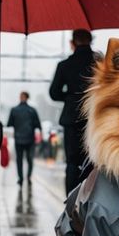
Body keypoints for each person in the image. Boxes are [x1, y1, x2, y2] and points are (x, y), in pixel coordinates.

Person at [48, 30, 96, 193]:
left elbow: (54, 93)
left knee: (72, 163)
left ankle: (71, 201)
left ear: (72, 43)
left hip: (71, 117)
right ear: (90, 41)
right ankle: (89, 198)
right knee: (93, 162)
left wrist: (70, 97)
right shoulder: (100, 63)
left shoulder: (64, 65)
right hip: (94, 117)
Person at [7, 91, 42, 186]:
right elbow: (38, 124)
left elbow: (9, 123)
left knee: (19, 159)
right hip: (30, 138)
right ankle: (29, 176)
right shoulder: (32, 110)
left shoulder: (14, 110)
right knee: (29, 159)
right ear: (27, 98)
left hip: (18, 138)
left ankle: (20, 178)